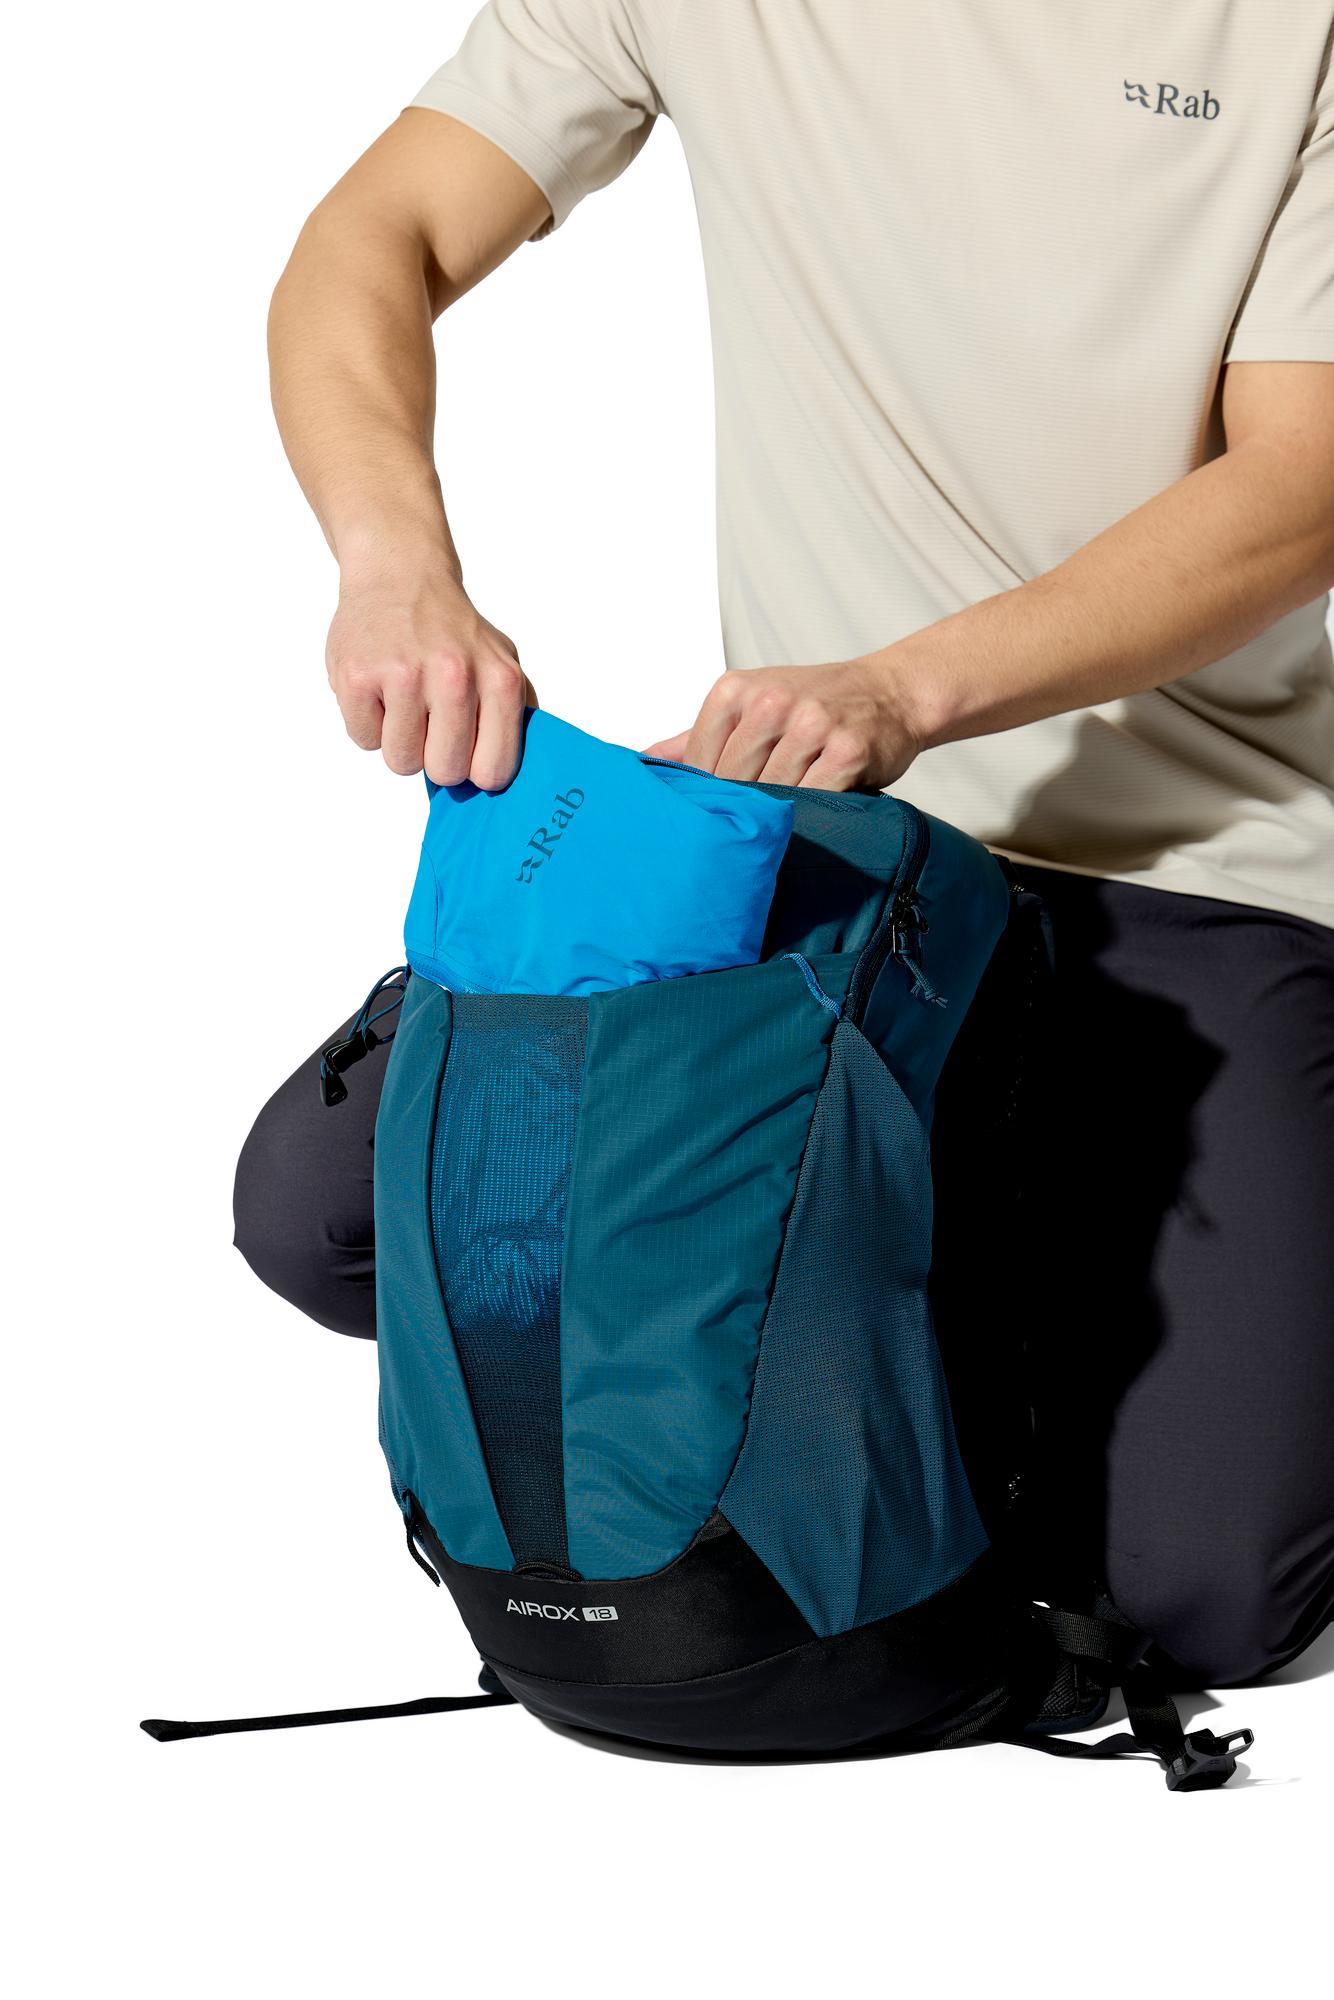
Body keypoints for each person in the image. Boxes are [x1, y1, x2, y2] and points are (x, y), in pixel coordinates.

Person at [236, 2, 1334, 1692]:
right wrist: (393, 566)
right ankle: (912, 1271)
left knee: (1208, 1599)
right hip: (834, 857)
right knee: (323, 1220)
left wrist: (909, 686)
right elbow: (374, 237)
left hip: (1200, 860)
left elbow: (1302, 480)